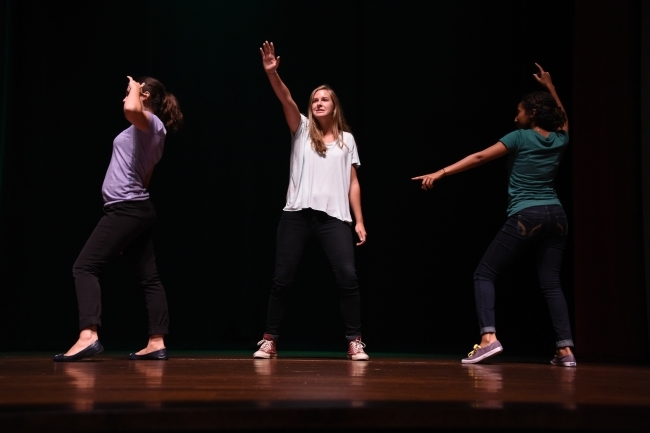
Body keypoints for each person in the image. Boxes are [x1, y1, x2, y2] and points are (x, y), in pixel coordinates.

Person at [412, 64, 576, 367]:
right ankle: (565, 350)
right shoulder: (560, 139)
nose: (516, 117)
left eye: (520, 111)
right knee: (551, 283)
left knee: (484, 273)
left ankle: (488, 339)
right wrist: (551, 87)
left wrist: (441, 172)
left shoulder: (519, 137)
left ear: (532, 114)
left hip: (527, 215)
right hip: (558, 216)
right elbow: (563, 118)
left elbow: (479, 157)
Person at [54, 76, 183, 362]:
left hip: (126, 208)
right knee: (149, 277)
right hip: (134, 210)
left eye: (130, 92)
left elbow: (130, 110)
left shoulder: (151, 124)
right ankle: (156, 340)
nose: (125, 97)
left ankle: (88, 335)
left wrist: (135, 87)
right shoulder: (145, 129)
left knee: (84, 267)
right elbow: (145, 177)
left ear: (145, 94)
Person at [254, 41, 369, 361]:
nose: (318, 103)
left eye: (324, 99)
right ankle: (269, 339)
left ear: (334, 106)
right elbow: (286, 99)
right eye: (315, 99)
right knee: (282, 279)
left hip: (334, 218)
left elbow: (353, 183)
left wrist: (359, 220)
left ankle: (354, 340)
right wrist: (272, 74)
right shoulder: (301, 129)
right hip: (297, 214)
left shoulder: (348, 140)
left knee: (347, 277)